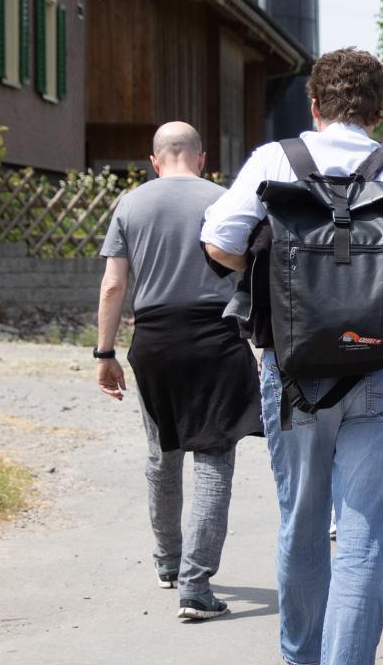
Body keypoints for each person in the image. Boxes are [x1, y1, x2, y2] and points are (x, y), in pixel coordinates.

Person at [202, 48, 383, 665]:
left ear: (313, 106)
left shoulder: (274, 162)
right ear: (380, 109)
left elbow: (218, 240)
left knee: (300, 517)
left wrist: (271, 272)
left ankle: (303, 661)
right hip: (380, 369)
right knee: (365, 536)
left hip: (293, 369)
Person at [94, 122, 262, 622]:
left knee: (162, 454)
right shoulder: (226, 199)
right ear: (202, 156)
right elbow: (250, 269)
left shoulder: (131, 204)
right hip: (215, 336)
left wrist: (104, 355)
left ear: (153, 159)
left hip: (155, 340)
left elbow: (112, 286)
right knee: (213, 457)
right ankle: (195, 585)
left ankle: (168, 561)